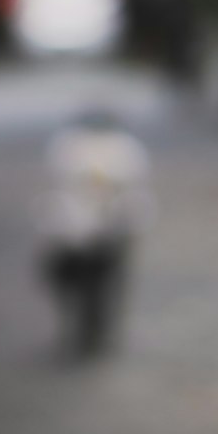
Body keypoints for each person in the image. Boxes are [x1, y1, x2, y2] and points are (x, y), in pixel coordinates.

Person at [37, 111, 152, 357]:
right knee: (84, 285)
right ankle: (87, 333)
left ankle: (94, 333)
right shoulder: (75, 149)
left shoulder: (119, 150)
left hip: (106, 232)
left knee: (101, 286)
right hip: (77, 233)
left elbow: (131, 195)